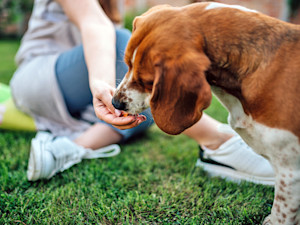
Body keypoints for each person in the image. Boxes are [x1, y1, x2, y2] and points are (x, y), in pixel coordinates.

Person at [10, 0, 274, 185]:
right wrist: (101, 83)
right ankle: (216, 140)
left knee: (141, 110)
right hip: (39, 76)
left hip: (77, 87)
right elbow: (96, 25)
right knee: (127, 39)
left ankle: (66, 149)